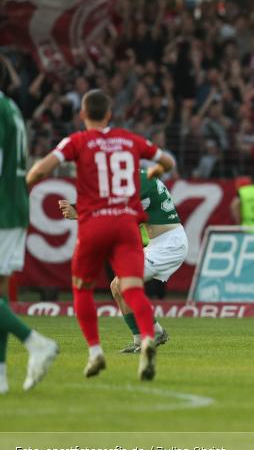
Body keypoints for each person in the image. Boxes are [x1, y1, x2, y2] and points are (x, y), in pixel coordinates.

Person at [26, 90, 175, 381]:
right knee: (132, 287)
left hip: (95, 223)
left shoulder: (77, 141)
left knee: (82, 289)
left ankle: (95, 352)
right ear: (109, 114)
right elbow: (167, 162)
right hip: (125, 224)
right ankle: (147, 337)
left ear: (82, 114)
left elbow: (40, 169)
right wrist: (157, 169)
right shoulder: (129, 140)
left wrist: (26, 182)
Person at [58, 167, 188, 353]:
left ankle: (157, 332)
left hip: (170, 245)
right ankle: (139, 339)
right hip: (160, 243)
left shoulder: (140, 180)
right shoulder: (136, 177)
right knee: (116, 286)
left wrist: (79, 211)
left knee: (124, 283)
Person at [0, 59, 58, 394]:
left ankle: (35, 342)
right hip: (14, 206)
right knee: (0, 297)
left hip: (1, 208)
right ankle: (0, 375)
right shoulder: (10, 107)